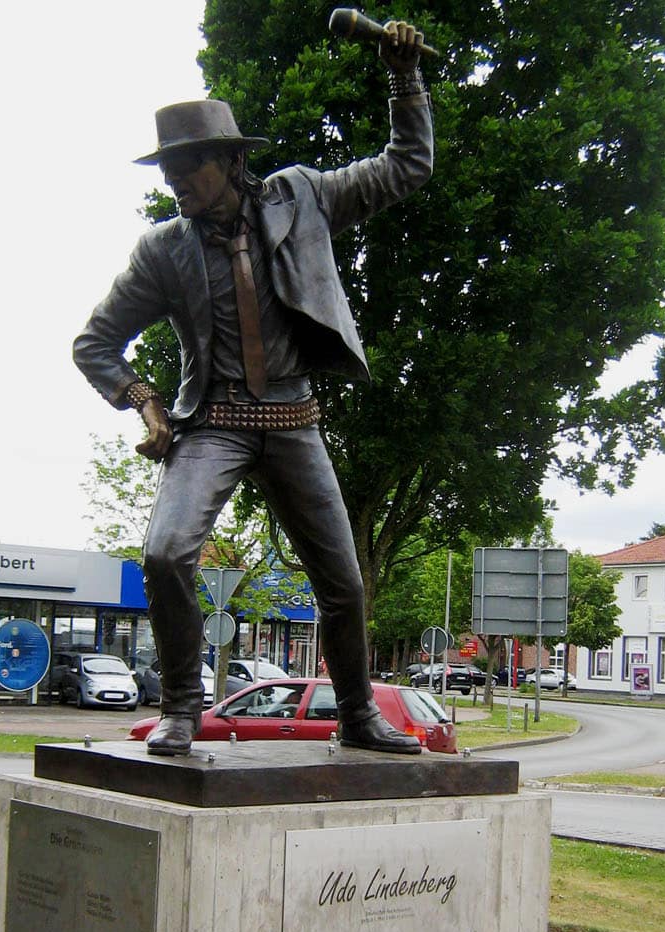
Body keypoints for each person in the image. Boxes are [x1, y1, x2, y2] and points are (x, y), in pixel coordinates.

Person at [73, 21, 432, 756]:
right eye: (168, 172)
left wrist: (403, 79)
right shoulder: (163, 251)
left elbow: (406, 167)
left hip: (294, 418)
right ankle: (181, 707)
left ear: (231, 163)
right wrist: (143, 400)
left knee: (345, 583)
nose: (175, 184)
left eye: (188, 169)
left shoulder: (300, 197)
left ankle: (359, 714)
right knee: (169, 554)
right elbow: (94, 342)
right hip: (213, 422)